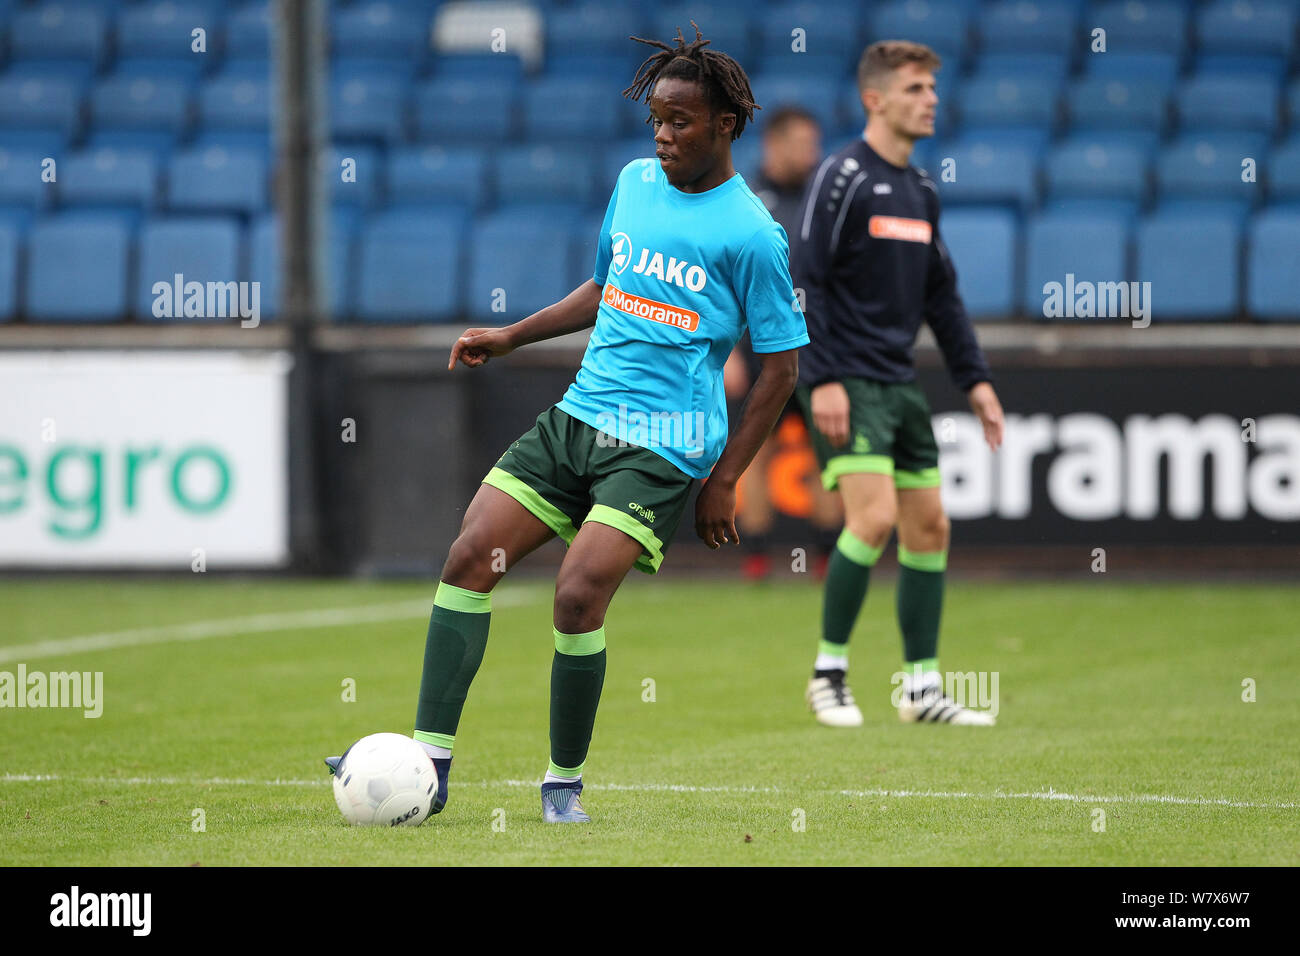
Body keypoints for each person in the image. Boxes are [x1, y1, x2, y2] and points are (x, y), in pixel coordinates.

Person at [329, 24, 808, 822]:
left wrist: (726, 477)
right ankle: (430, 768)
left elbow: (781, 368)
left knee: (577, 597)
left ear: (725, 126)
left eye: (680, 121)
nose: (662, 134)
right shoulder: (634, 183)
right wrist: (512, 335)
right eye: (656, 117)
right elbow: (602, 286)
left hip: (660, 446)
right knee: (467, 561)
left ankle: (562, 785)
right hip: (580, 417)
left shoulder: (753, 235)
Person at [791, 40, 1005, 728]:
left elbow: (941, 297)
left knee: (931, 526)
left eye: (933, 89)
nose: (931, 100)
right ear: (875, 99)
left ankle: (920, 689)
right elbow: (806, 280)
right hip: (845, 379)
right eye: (916, 88)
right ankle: (829, 674)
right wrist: (820, 376)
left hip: (899, 381)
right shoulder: (842, 175)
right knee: (874, 519)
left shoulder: (922, 192)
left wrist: (976, 381)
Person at [723, 106, 842, 580]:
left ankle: (827, 561)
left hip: (817, 352)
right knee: (754, 453)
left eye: (815, 144)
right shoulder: (743, 199)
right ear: (774, 144)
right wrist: (728, 351)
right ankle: (755, 560)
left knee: (828, 456)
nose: (812, 154)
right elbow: (722, 278)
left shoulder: (826, 199)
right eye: (802, 144)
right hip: (758, 350)